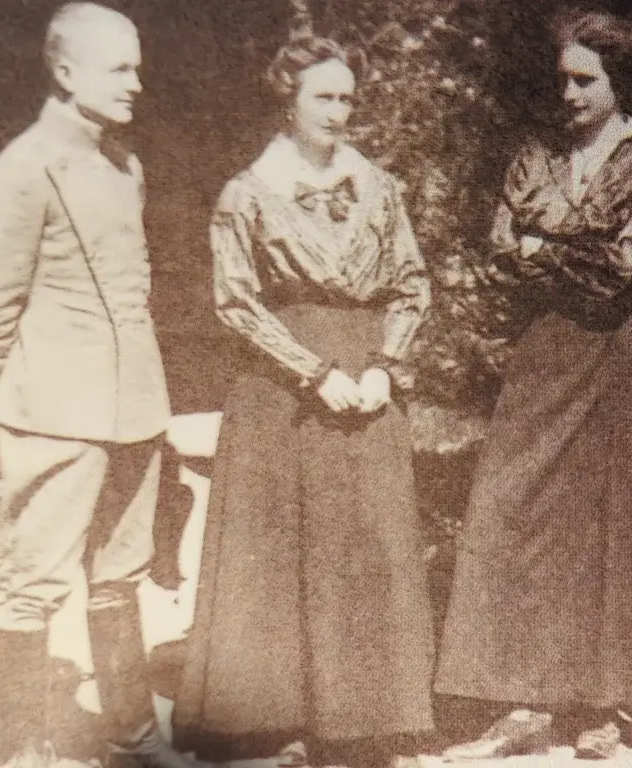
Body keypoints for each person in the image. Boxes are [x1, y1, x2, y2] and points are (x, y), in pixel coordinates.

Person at [0, 4, 213, 768]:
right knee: (35, 586)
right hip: (55, 413)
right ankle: (23, 752)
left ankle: (130, 736)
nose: (137, 83)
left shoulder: (123, 166)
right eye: (118, 69)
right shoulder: (21, 169)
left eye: (137, 66)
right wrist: (30, 398)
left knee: (118, 575)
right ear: (64, 73)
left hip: (131, 403)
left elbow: (131, 291)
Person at [170, 34, 435, 768]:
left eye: (348, 97)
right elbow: (236, 304)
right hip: (283, 388)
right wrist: (314, 371)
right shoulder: (245, 194)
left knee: (363, 542)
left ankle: (363, 720)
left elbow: (412, 283)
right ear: (287, 99)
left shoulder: (380, 187)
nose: (339, 111)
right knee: (283, 547)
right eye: (324, 95)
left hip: (368, 381)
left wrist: (385, 365)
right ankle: (276, 715)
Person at [433, 8, 632, 760]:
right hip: (543, 355)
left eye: (586, 80)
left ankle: (601, 707)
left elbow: (620, 273)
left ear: (619, 81)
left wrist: (539, 241)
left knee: (610, 531)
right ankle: (522, 695)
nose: (569, 95)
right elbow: (495, 248)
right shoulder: (535, 153)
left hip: (618, 359)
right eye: (563, 81)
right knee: (520, 515)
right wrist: (566, 242)